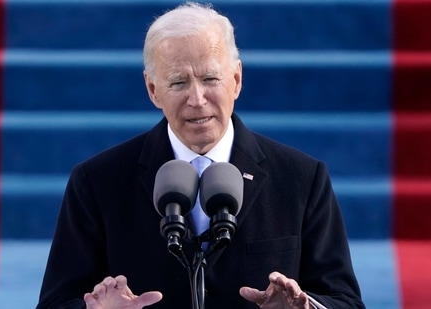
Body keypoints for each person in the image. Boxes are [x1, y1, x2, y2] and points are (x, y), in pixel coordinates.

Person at [36, 2, 365, 309]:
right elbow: (56, 302)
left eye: (210, 79)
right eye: (178, 82)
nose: (197, 98)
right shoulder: (97, 182)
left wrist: (305, 307)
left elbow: (344, 300)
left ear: (236, 80)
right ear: (153, 90)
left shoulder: (302, 179)